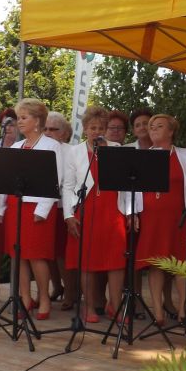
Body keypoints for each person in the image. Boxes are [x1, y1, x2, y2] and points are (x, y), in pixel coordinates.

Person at [135, 115, 186, 325]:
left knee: (181, 264)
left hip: (177, 218)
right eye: (151, 126)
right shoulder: (142, 157)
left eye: (159, 126)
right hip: (151, 218)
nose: (154, 129)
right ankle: (158, 311)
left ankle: (183, 309)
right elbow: (133, 189)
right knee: (155, 264)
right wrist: (132, 214)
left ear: (171, 131)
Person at [0, 98, 63, 320]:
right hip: (16, 207)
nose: (20, 121)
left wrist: (42, 210)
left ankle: (43, 297)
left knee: (36, 256)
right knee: (18, 256)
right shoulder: (16, 147)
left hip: (38, 208)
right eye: (19, 118)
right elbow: (7, 182)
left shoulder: (52, 146)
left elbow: (56, 180)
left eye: (24, 117)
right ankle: (25, 299)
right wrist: (1, 209)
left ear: (37, 121)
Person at [62, 106, 129, 324]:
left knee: (116, 261)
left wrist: (130, 213)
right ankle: (89, 306)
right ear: (85, 129)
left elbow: (127, 184)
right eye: (92, 128)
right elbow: (68, 186)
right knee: (86, 261)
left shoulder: (116, 149)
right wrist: (68, 215)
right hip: (85, 210)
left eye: (101, 128)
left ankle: (116, 306)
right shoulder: (74, 152)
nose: (97, 132)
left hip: (113, 211)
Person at [44, 111, 78, 310]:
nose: (48, 132)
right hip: (43, 207)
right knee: (47, 253)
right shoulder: (41, 148)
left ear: (65, 133)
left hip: (63, 208)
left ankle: (71, 292)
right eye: (45, 129)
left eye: (53, 129)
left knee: (62, 254)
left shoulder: (71, 151)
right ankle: (57, 287)